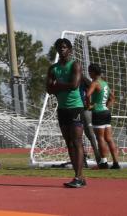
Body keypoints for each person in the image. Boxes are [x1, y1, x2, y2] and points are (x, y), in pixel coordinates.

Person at [46, 38, 87, 188]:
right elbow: (49, 89)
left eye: (64, 47)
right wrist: (59, 86)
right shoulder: (53, 68)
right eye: (59, 47)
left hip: (75, 107)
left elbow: (74, 85)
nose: (61, 49)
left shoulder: (75, 65)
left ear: (69, 49)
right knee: (69, 142)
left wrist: (58, 85)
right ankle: (79, 177)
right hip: (62, 109)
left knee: (77, 142)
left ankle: (78, 176)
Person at [84, 63, 121, 170]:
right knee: (109, 139)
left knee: (100, 138)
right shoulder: (105, 83)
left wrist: (89, 106)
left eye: (90, 71)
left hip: (98, 112)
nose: (89, 73)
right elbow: (112, 97)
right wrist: (107, 106)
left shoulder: (95, 83)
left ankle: (103, 163)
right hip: (106, 112)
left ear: (93, 72)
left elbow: (87, 95)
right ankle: (116, 163)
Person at [79, 76, 103, 167]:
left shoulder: (83, 80)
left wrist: (90, 104)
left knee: (91, 136)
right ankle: (82, 161)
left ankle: (99, 161)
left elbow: (95, 91)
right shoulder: (70, 80)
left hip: (85, 110)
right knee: (77, 137)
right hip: (74, 110)